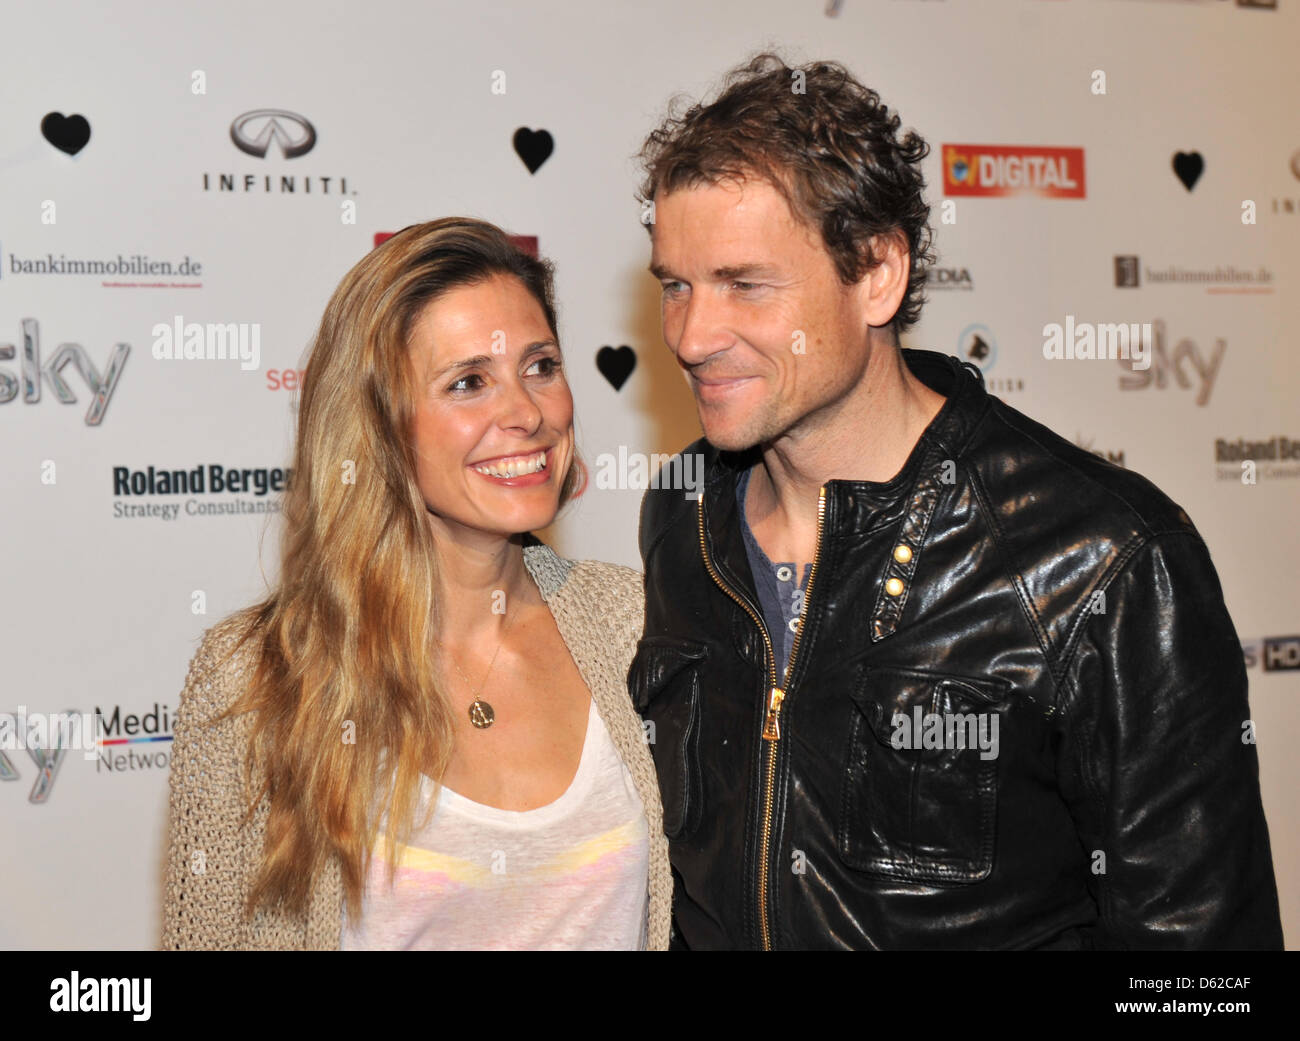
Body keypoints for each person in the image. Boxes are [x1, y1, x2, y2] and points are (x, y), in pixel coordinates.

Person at [631, 52, 1284, 950]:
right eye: (675, 285)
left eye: (745, 283)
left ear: (877, 276)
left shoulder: (1100, 558)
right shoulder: (683, 518)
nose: (694, 335)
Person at [161, 218, 671, 950]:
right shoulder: (254, 677)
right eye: (469, 382)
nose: (526, 413)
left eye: (541, 365)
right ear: (379, 425)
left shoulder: (635, 624)